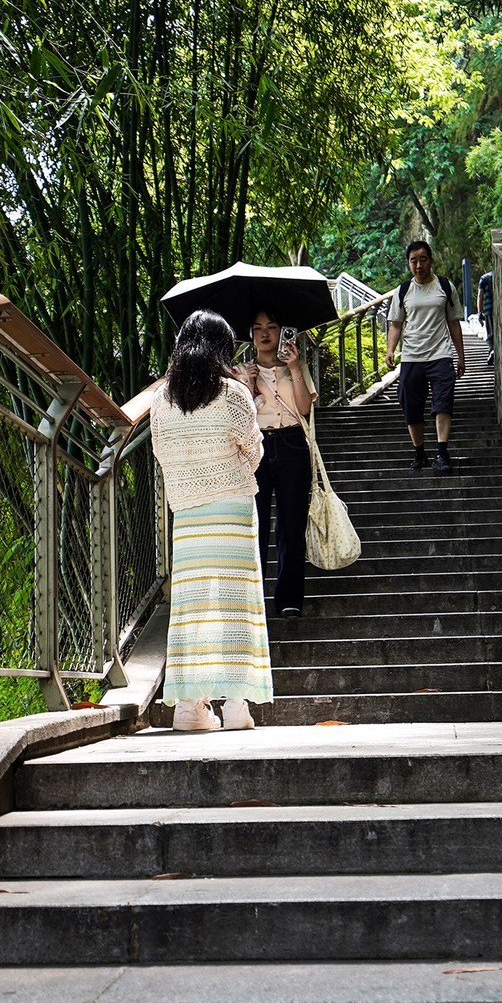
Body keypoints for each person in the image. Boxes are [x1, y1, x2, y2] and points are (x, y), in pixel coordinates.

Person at [150, 309, 273, 731]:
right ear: (221, 350)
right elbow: (255, 453)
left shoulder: (161, 400)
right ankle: (236, 707)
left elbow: (161, 453)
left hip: (187, 514)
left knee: (193, 605)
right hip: (233, 510)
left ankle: (188, 707)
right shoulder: (233, 393)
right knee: (235, 602)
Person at [242, 310, 317, 617]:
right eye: (258, 327)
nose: (265, 333)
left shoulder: (294, 366)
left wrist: (295, 367)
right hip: (256, 447)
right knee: (254, 524)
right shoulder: (240, 371)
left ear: (281, 330)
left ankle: (289, 599)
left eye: (272, 327)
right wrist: (247, 384)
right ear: (250, 333)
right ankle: (254, 599)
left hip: (292, 443)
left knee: (291, 523)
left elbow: (303, 407)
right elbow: (239, 419)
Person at [385, 240, 466, 473]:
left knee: (443, 404)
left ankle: (442, 453)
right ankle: (419, 453)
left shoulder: (444, 286)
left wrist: (460, 357)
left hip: (440, 355)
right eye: (413, 260)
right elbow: (396, 324)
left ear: (430, 260)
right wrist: (390, 350)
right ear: (409, 263)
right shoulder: (403, 291)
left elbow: (454, 323)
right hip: (411, 357)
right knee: (411, 406)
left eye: (423, 259)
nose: (418, 265)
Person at [478, 268, 495, 365]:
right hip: (500, 309)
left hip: (489, 309)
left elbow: (480, 295)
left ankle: (492, 350)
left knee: (490, 333)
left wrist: (480, 312)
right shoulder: (497, 276)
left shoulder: (484, 278)